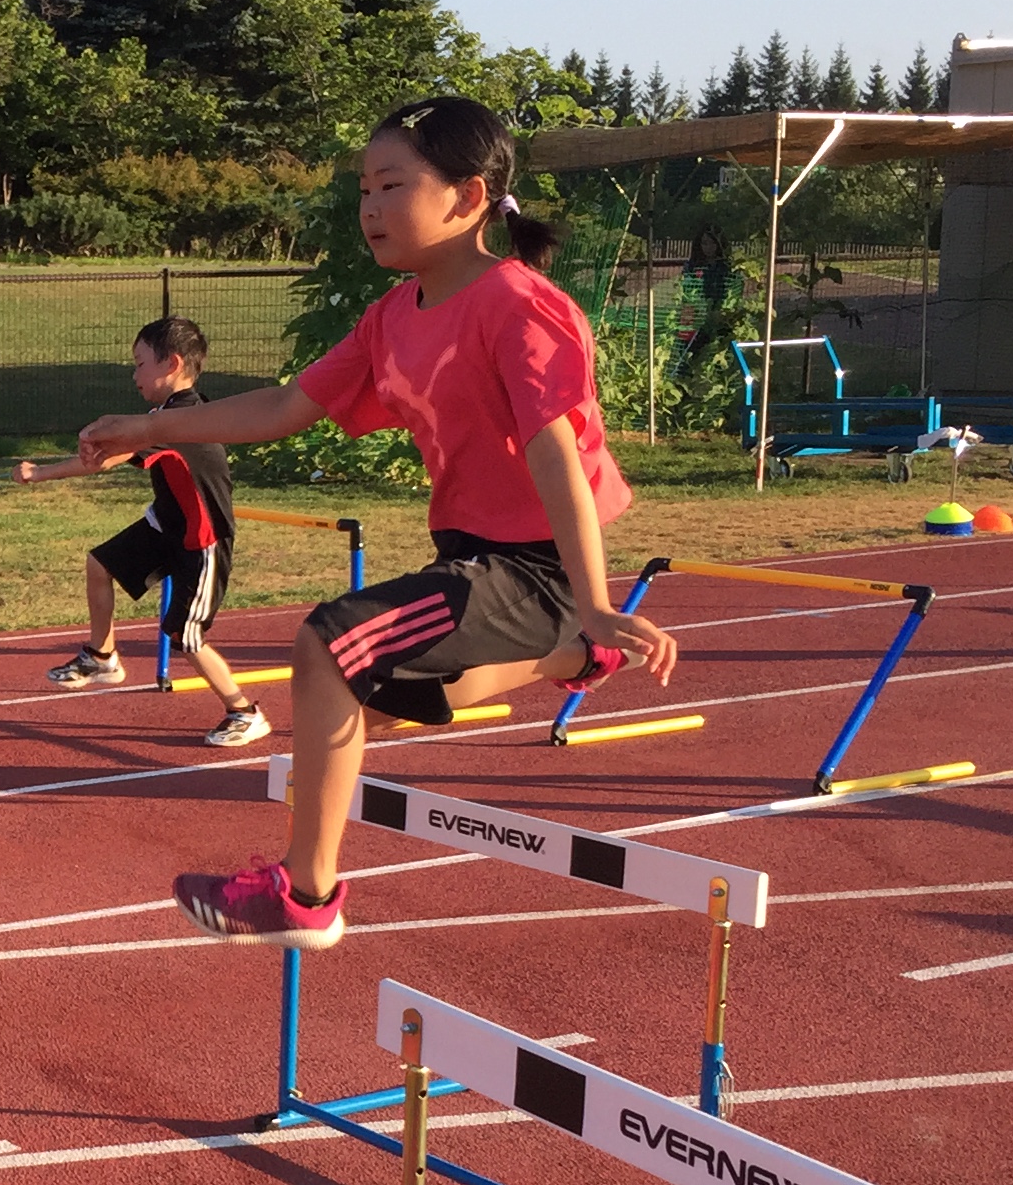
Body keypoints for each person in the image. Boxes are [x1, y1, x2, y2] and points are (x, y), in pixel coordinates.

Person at [73, 94, 679, 947]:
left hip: (537, 562)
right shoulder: (391, 318)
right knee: (369, 693)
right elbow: (284, 407)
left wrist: (594, 598)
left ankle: (305, 895)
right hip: (470, 550)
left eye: (392, 186)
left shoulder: (521, 306)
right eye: (364, 189)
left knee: (327, 644)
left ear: (468, 197)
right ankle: (575, 654)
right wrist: (146, 428)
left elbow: (557, 458)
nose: (370, 208)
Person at [13, 316, 270, 747]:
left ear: (171, 364)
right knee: (100, 564)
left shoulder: (185, 420)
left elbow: (109, 457)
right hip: (165, 525)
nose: (134, 375)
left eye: (139, 363)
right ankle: (102, 656)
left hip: (201, 540)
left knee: (184, 635)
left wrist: (40, 473)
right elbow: (114, 451)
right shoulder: (166, 417)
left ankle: (243, 711)